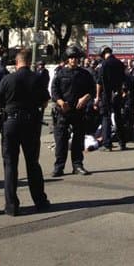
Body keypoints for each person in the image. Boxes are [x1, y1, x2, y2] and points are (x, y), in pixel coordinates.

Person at [0, 48, 50, 216]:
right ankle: (40, 201)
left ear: (16, 62)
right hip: (31, 123)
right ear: (28, 62)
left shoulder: (8, 79)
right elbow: (45, 101)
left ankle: (11, 206)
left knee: (10, 164)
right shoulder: (37, 78)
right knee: (33, 163)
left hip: (10, 122)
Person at [51, 46, 96, 177]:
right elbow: (54, 91)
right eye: (71, 58)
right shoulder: (60, 74)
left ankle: (77, 165)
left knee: (78, 139)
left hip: (79, 111)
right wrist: (60, 102)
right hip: (63, 111)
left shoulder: (85, 74)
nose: (73, 60)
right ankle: (59, 166)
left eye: (76, 58)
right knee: (61, 140)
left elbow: (92, 90)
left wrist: (85, 98)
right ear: (67, 59)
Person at [96, 47, 128, 150]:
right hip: (117, 93)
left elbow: (99, 82)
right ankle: (122, 142)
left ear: (103, 54)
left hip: (107, 93)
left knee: (106, 117)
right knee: (118, 117)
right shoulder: (119, 63)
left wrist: (97, 96)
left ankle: (107, 143)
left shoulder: (104, 64)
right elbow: (124, 79)